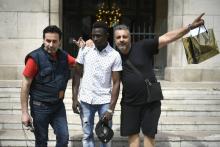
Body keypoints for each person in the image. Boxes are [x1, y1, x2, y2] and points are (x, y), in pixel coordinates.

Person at [113, 13, 205, 147]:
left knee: (149, 135)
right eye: (118, 37)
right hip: (129, 103)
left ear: (130, 38)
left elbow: (167, 37)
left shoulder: (143, 46)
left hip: (151, 102)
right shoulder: (113, 56)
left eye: (124, 36)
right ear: (114, 39)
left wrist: (190, 27)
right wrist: (89, 43)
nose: (122, 39)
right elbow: (98, 48)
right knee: (132, 136)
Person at [20, 25, 76, 147]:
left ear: (60, 41)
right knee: (41, 141)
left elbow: (79, 64)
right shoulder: (34, 58)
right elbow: (25, 85)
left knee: (64, 137)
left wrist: (86, 49)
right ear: (43, 39)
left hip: (58, 106)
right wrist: (25, 113)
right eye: (48, 40)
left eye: (54, 41)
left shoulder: (65, 56)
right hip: (40, 107)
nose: (50, 44)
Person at [72, 21, 122, 147]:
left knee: (105, 137)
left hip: (104, 101)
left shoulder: (114, 55)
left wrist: (111, 109)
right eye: (93, 35)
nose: (94, 38)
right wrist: (74, 98)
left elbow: (116, 83)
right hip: (85, 100)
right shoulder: (85, 50)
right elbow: (77, 74)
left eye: (98, 36)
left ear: (107, 36)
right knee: (87, 135)